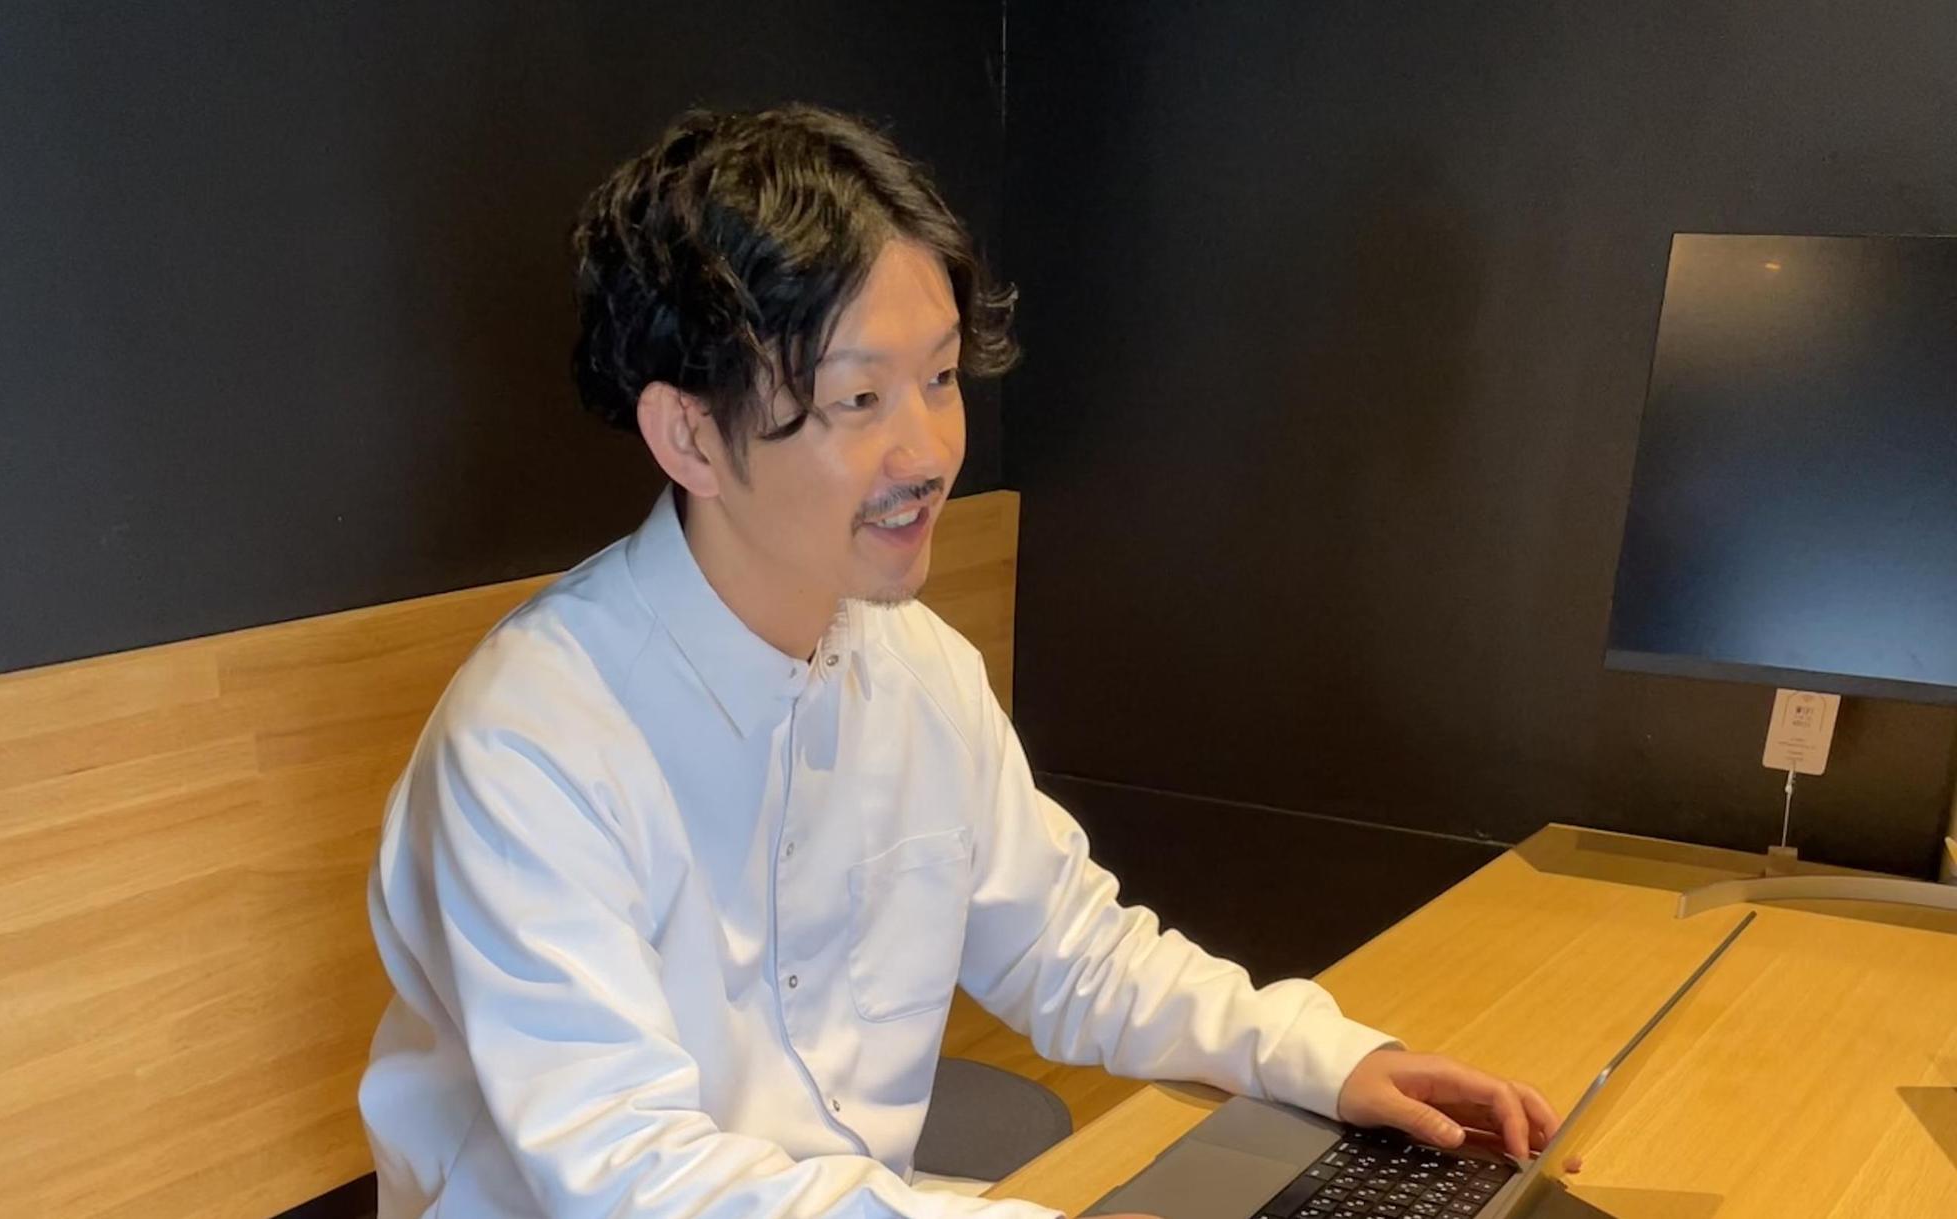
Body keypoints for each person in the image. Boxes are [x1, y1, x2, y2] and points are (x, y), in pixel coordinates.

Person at [358, 102, 1563, 1219]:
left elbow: (1068, 950)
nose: (929, 450)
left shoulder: (916, 666)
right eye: (858, 398)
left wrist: (1324, 1059)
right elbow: (632, 1175)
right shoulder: (531, 742)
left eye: (938, 378)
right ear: (690, 434)